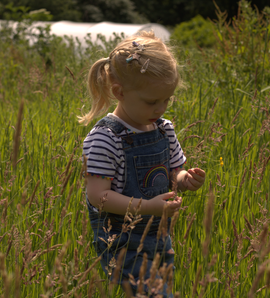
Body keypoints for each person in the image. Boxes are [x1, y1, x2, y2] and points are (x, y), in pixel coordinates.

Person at [79, 31, 205, 297]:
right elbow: (97, 196)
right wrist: (148, 207)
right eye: (152, 101)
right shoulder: (105, 138)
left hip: (160, 237)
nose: (161, 108)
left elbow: (174, 171)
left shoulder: (163, 129)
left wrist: (185, 180)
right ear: (119, 92)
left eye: (166, 100)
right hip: (123, 242)